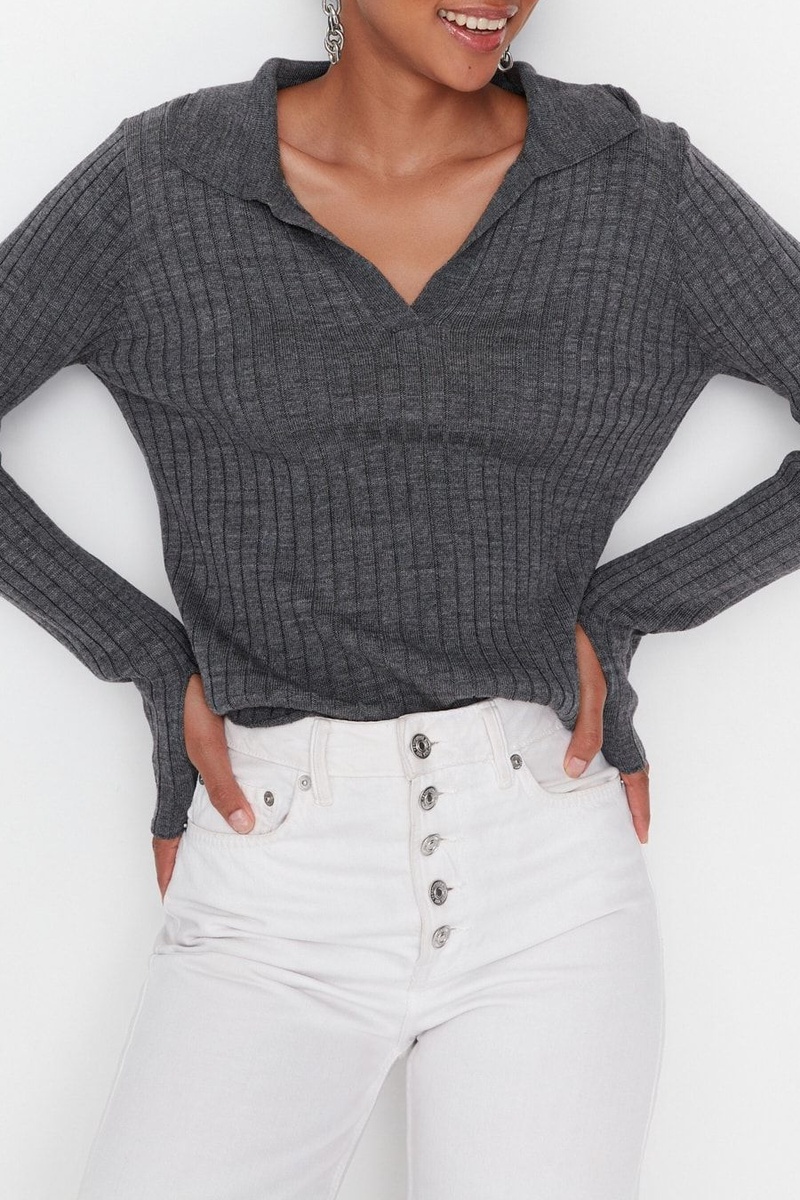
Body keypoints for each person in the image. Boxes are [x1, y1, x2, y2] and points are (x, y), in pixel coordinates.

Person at [1, 1, 798, 1197]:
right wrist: (148, 659)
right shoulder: (163, 183)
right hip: (272, 869)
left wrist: (627, 608)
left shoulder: (636, 186)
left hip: (547, 872)